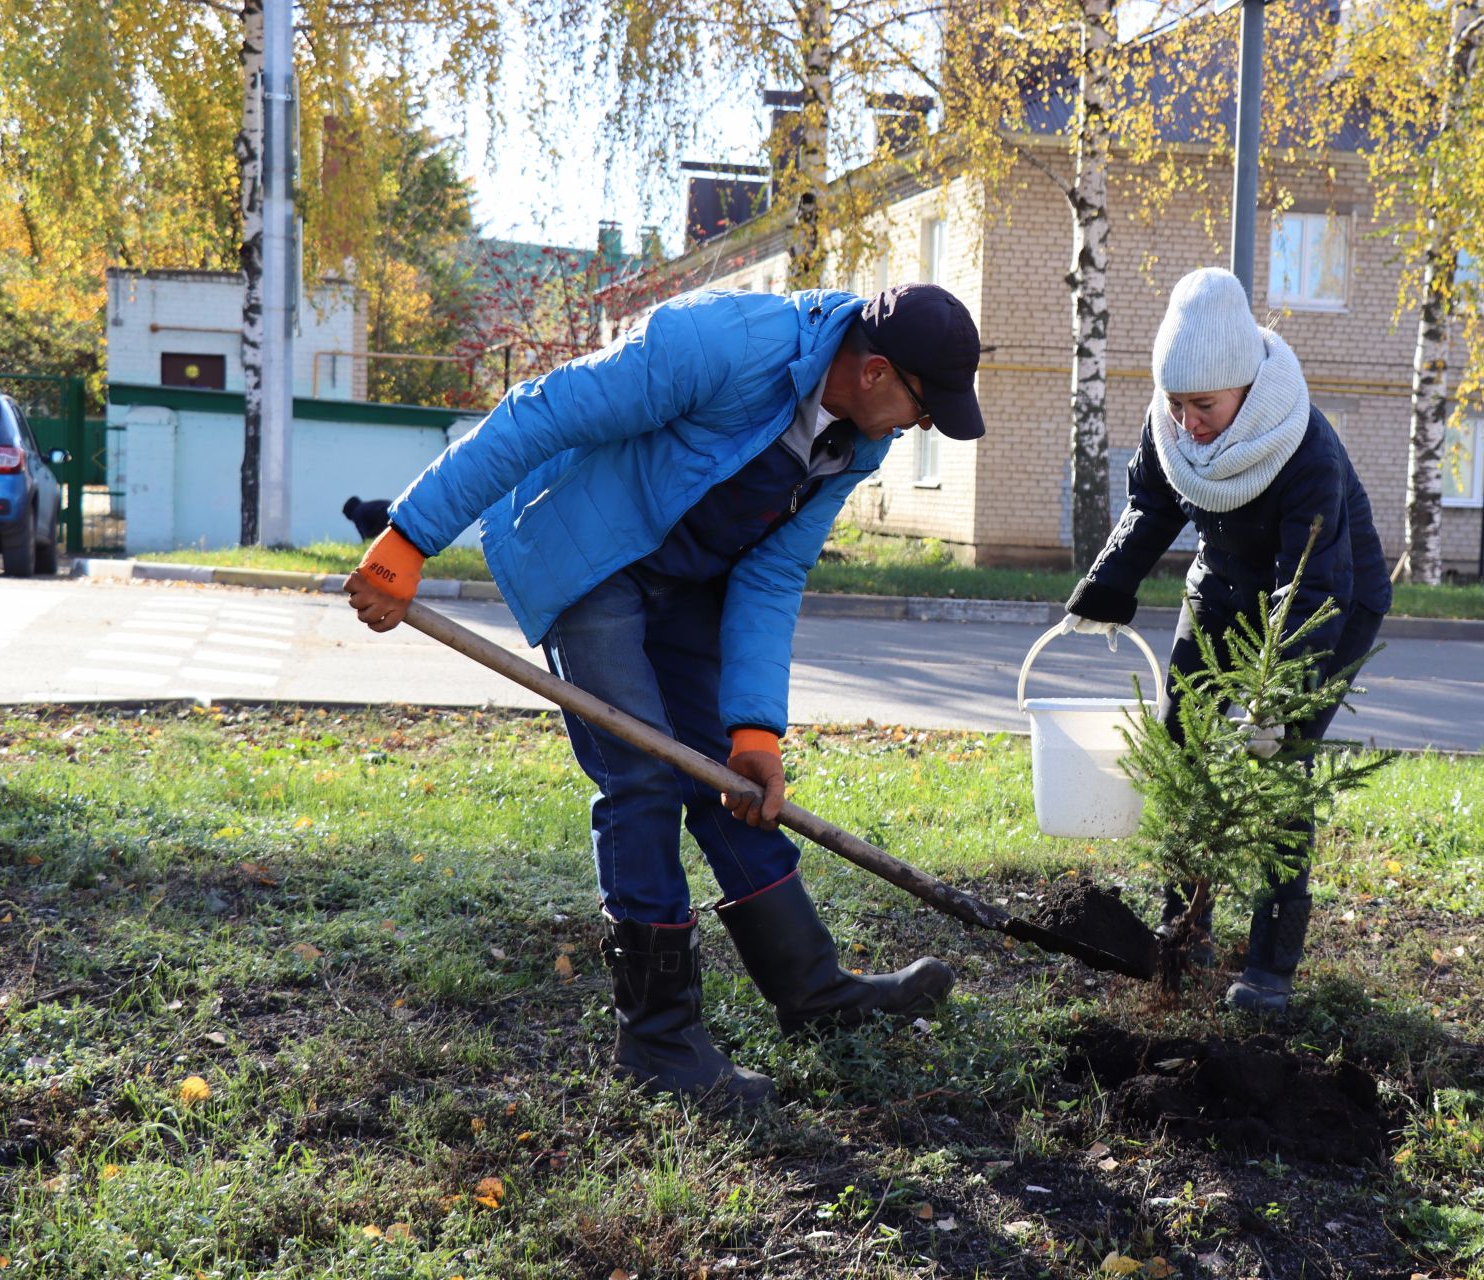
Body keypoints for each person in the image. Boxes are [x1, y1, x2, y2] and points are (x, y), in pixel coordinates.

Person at [342, 283, 985, 1108]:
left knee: (734, 784)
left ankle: (813, 992)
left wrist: (754, 728)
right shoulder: (723, 345)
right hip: (587, 555)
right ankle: (657, 1039)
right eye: (923, 410)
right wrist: (410, 535)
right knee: (643, 775)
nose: (919, 428)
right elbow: (539, 413)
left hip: (690, 579)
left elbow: (774, 569)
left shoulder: (855, 441)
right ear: (876, 372)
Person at [1061, 268, 1391, 1016]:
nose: (1188, 422)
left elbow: (1310, 587)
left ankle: (1271, 966)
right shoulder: (1171, 422)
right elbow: (1151, 500)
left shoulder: (1305, 449)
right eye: (1176, 405)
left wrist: (1278, 699)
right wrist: (1105, 588)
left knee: (1279, 769)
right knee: (1183, 745)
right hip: (1222, 583)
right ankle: (1185, 927)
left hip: (1326, 598)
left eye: (1203, 406)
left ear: (1242, 387)